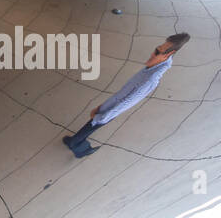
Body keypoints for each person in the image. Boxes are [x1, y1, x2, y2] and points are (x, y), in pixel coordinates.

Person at [62, 34, 191, 157]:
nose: (153, 54)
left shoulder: (151, 79)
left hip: (111, 110)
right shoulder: (156, 64)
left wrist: (101, 117)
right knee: (90, 125)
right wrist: (102, 107)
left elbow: (128, 102)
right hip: (111, 103)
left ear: (168, 55)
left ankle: (76, 146)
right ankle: (75, 141)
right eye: (156, 49)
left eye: (158, 52)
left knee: (92, 126)